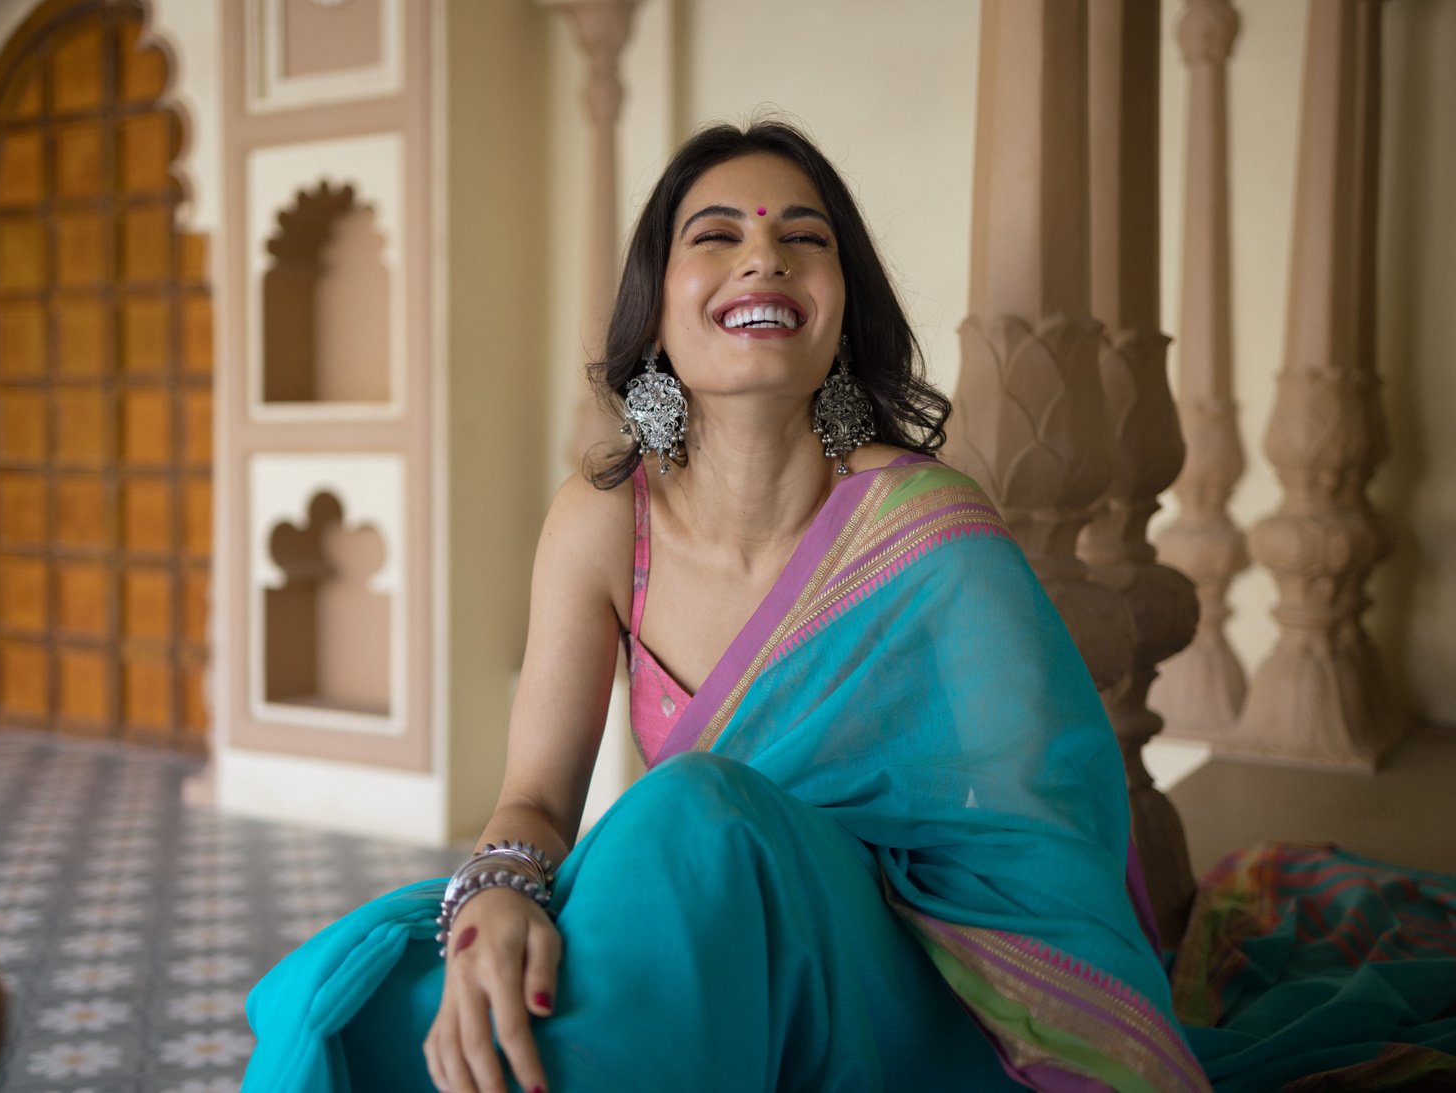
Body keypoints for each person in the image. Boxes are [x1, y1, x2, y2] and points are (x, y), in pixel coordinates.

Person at [243, 120, 1210, 1092]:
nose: (763, 258)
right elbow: (535, 798)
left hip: (882, 972)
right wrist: (496, 893)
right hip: (700, 926)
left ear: (841, 306)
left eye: (804, 238)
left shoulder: (924, 531)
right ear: (656, 308)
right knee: (389, 1005)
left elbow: (1034, 833)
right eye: (715, 236)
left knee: (692, 813)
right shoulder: (601, 524)